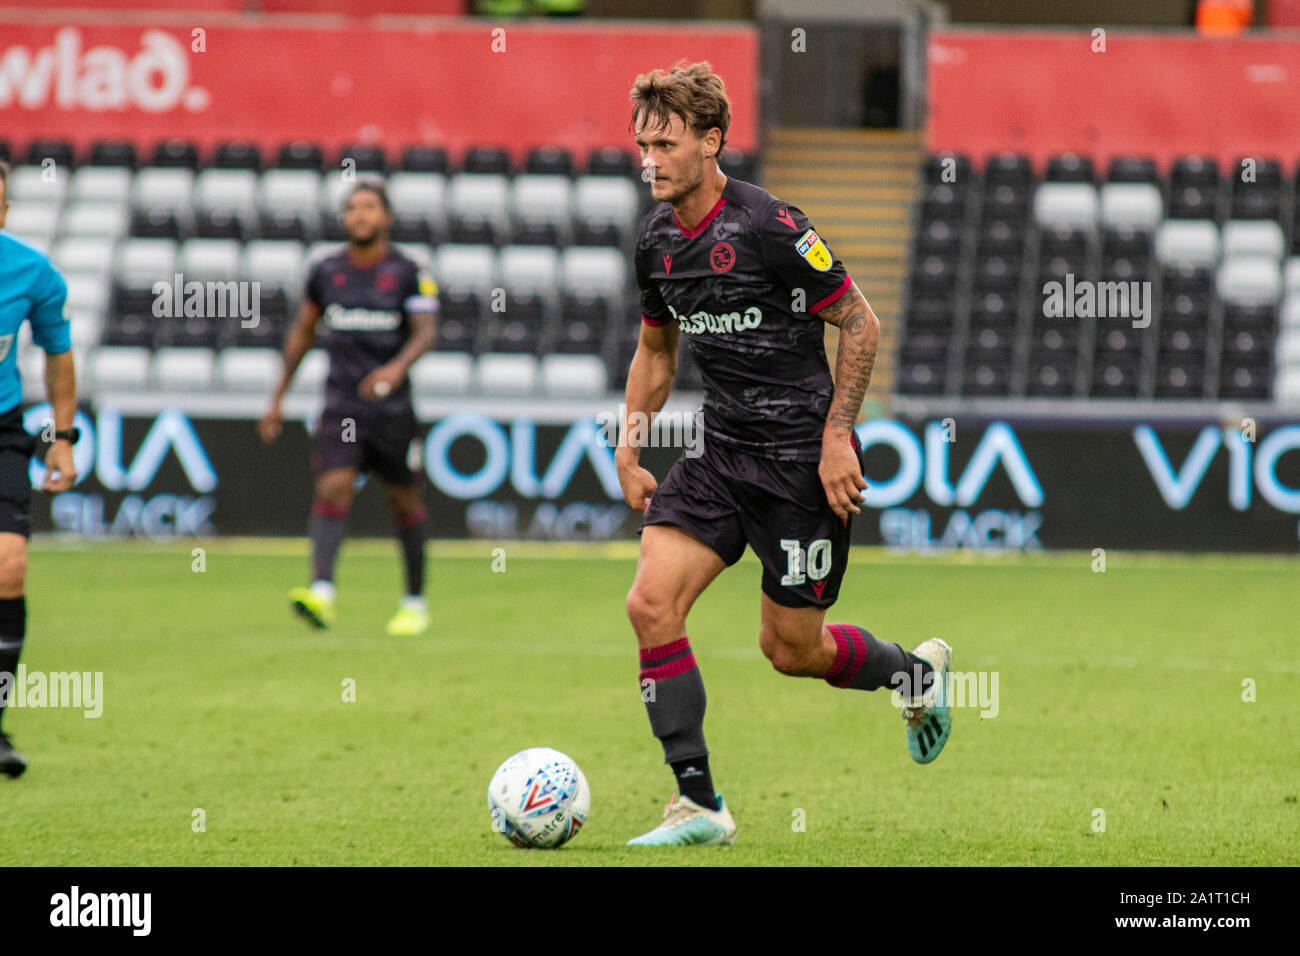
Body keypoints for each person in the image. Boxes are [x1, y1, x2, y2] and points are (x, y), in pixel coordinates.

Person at [617, 62, 954, 846]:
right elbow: (657, 354)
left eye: (665, 144)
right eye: (642, 145)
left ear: (712, 140)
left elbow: (860, 323)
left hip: (802, 463)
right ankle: (699, 804)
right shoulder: (658, 241)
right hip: (721, 454)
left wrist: (838, 436)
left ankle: (914, 674)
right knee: (649, 605)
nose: (650, 160)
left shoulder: (770, 226)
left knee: (790, 649)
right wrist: (630, 443)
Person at [259, 181, 438, 636]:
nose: (359, 215)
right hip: (341, 405)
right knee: (333, 487)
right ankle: (322, 592)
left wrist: (395, 369)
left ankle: (414, 601)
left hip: (393, 411)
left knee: (403, 500)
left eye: (368, 208)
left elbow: (425, 332)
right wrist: (278, 395)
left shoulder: (409, 270)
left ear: (386, 217)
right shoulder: (326, 271)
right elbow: (303, 331)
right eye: (351, 208)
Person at [0, 159, 79, 777]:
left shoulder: (32, 271)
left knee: (10, 568)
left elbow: (58, 353)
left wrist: (63, 435)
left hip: (2, 432)